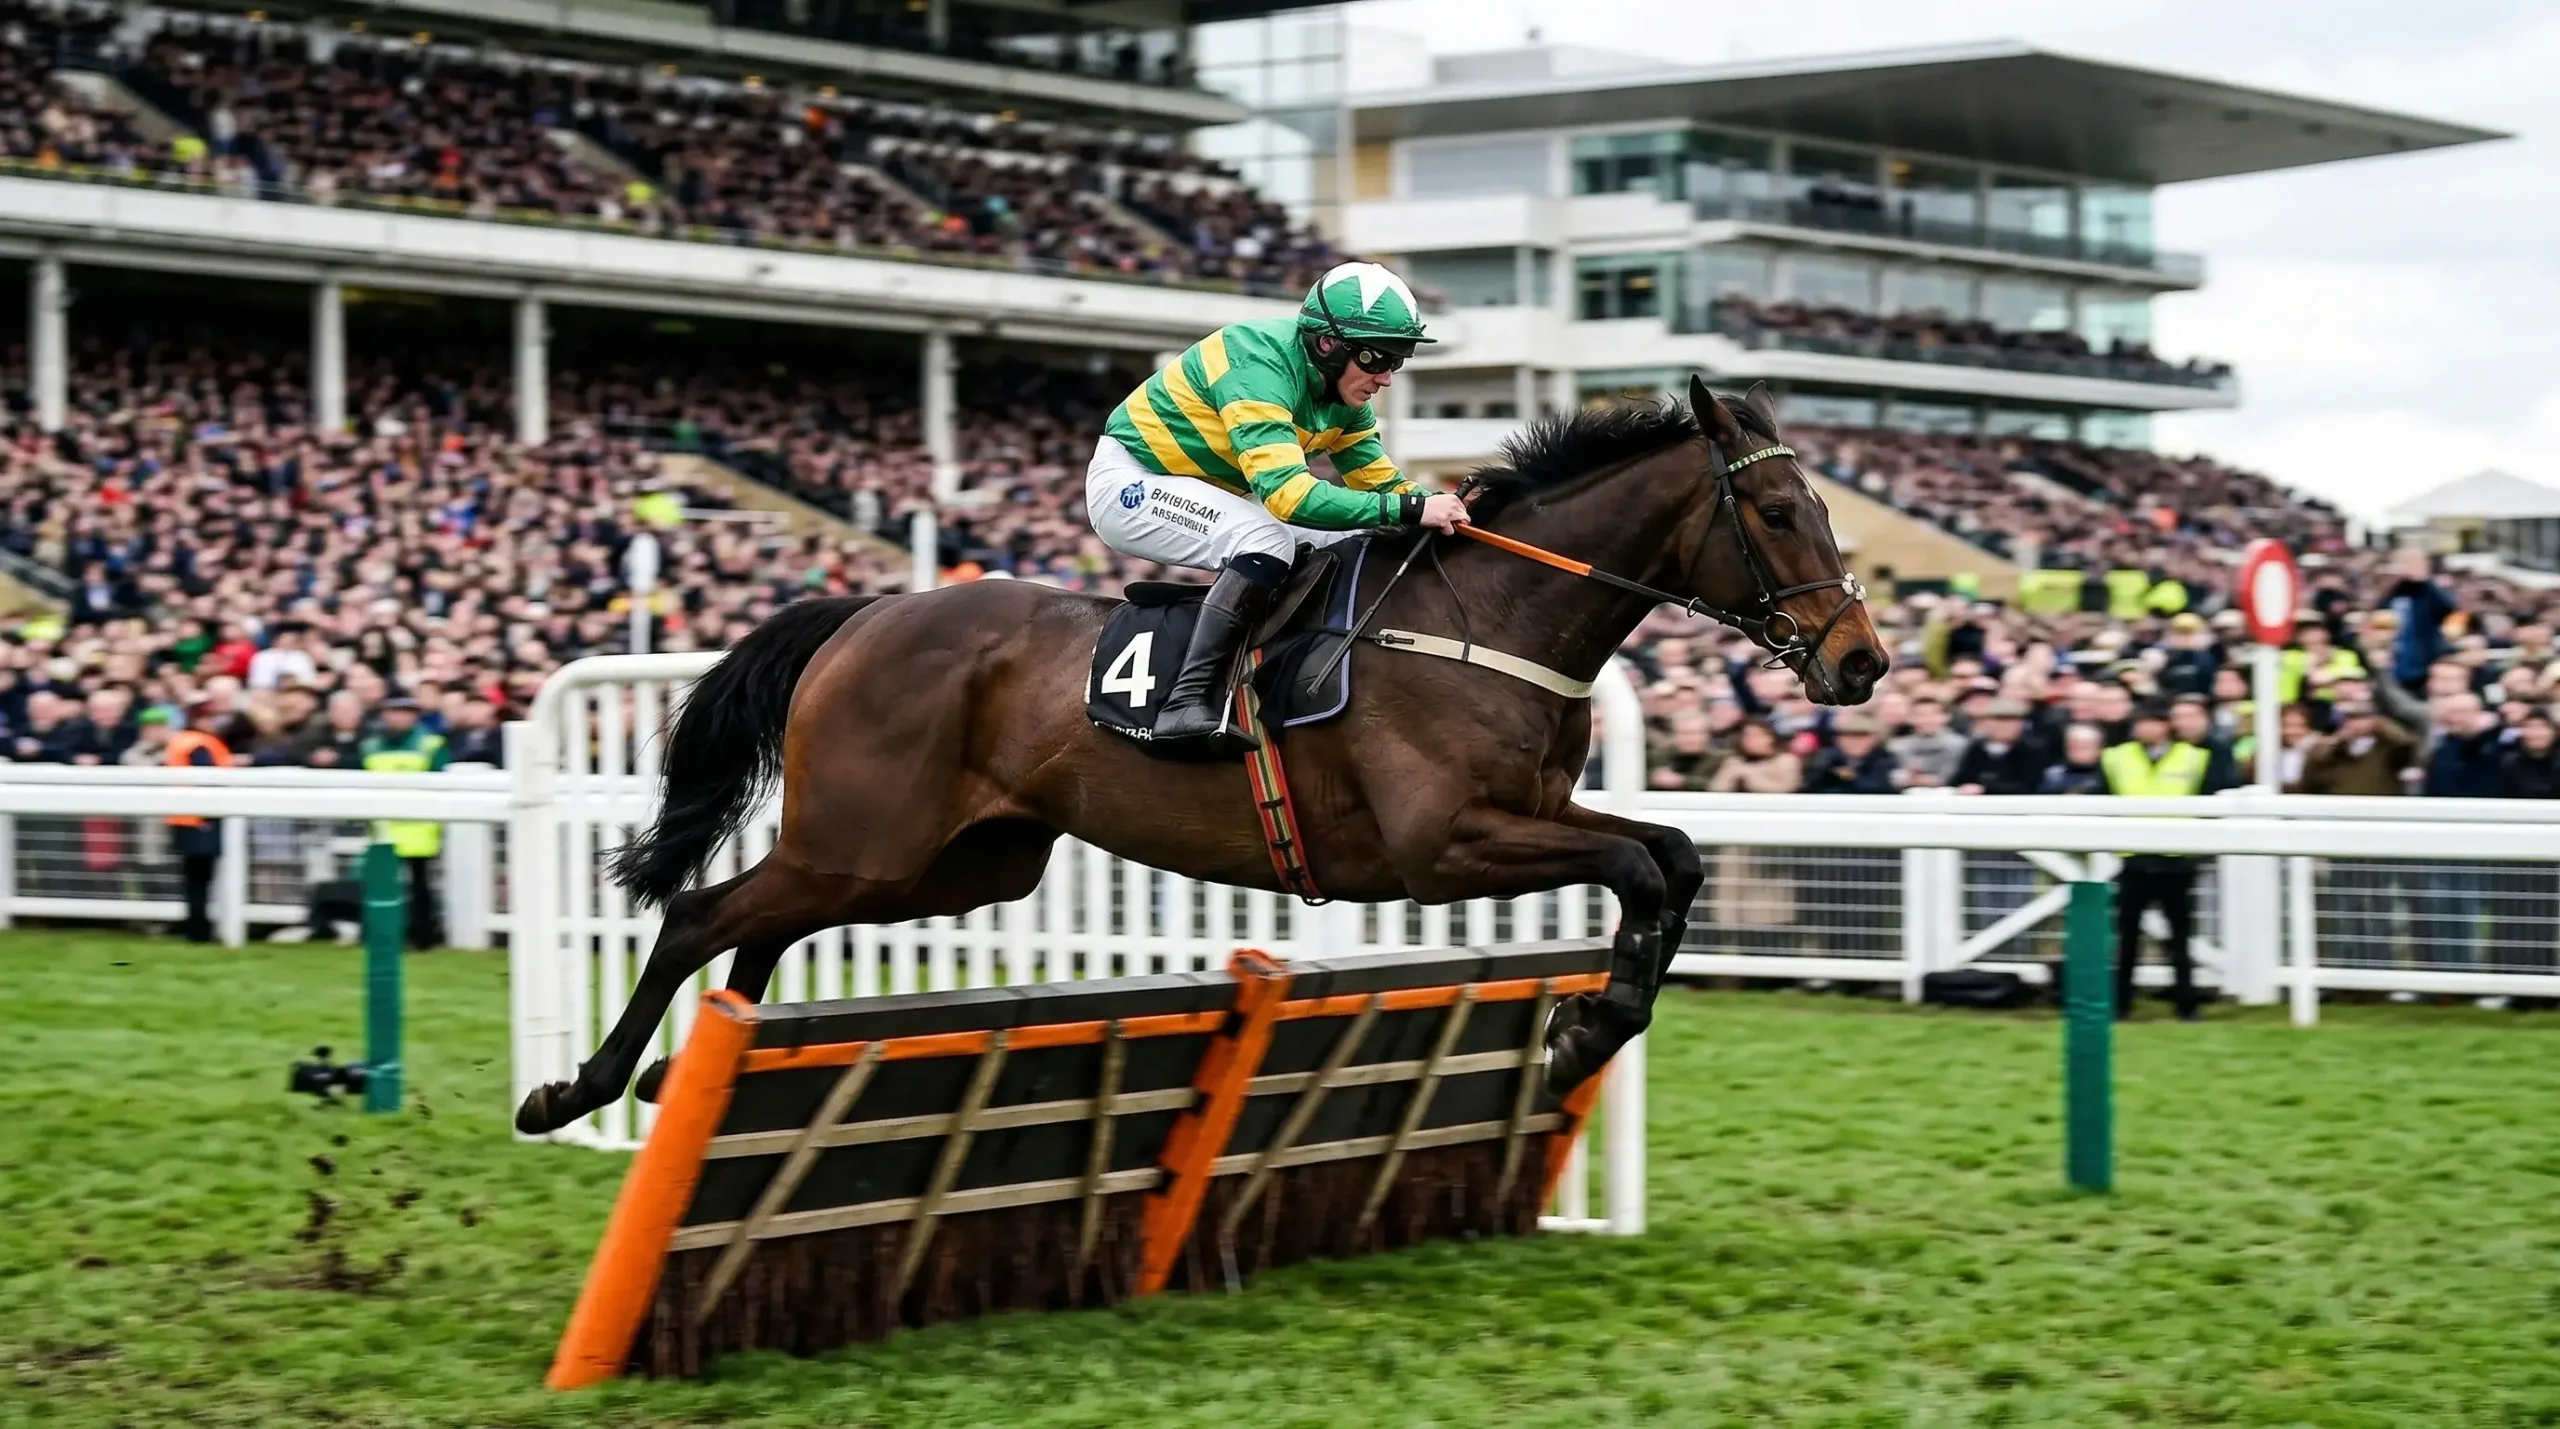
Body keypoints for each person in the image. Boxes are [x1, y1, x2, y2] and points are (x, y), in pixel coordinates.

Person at [1083, 261, 1470, 751]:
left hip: (1218, 493)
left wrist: (1448, 507)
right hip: (1133, 481)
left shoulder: (1346, 396)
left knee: (1363, 537)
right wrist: (1413, 511)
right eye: (1377, 359)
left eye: (1398, 360)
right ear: (1327, 344)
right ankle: (1185, 702)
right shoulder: (1257, 361)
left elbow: (1382, 486)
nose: (1386, 378)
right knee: (1265, 539)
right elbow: (1288, 498)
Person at [2101, 701, 2209, 1020]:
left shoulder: (2195, 757)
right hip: (2132, 857)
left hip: (2177, 858)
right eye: (2141, 722)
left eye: (2152, 722)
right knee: (2126, 938)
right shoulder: (2115, 757)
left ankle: (2186, 1004)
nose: (2145, 728)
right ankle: (2120, 1004)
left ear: (2166, 725)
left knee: (2180, 938)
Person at [360, 697, 450, 948]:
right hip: (383, 825)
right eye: (393, 713)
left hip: (419, 826)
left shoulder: (431, 744)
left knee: (419, 887)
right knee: (382, 885)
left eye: (404, 713)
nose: (398, 718)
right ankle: (382, 936)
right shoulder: (370, 745)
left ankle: (422, 937)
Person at [165, 698, 234, 944]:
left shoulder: (181, 741)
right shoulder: (200, 744)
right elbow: (206, 780)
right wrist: (208, 816)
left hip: (182, 818)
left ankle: (195, 927)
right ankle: (199, 930)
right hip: (200, 819)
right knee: (201, 881)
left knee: (193, 880)